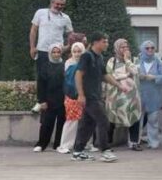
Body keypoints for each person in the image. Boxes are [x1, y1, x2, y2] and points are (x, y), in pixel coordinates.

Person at [72, 32, 129, 163]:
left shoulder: (99, 57)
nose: (106, 44)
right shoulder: (87, 56)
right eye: (104, 41)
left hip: (95, 95)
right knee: (103, 121)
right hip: (89, 96)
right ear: (95, 42)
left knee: (87, 124)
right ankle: (105, 151)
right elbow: (78, 74)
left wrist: (119, 86)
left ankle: (77, 152)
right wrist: (81, 95)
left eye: (107, 41)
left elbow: (105, 75)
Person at [105, 39, 143, 151]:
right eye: (122, 47)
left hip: (131, 96)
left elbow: (135, 71)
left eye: (126, 47)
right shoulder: (112, 61)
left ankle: (134, 142)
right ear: (117, 48)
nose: (125, 49)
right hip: (115, 95)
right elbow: (110, 76)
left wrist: (127, 60)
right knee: (112, 118)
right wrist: (126, 75)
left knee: (134, 117)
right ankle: (107, 143)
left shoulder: (134, 60)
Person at [29, 0, 74, 80]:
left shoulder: (66, 18)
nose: (59, 6)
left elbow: (71, 35)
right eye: (57, 4)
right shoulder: (40, 13)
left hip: (57, 52)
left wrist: (68, 47)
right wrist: (32, 47)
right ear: (51, 3)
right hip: (42, 50)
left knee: (56, 78)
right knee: (42, 78)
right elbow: (33, 30)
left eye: (62, 5)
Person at [33, 43, 66, 152]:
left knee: (62, 123)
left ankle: (58, 144)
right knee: (46, 123)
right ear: (50, 53)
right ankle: (41, 144)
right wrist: (42, 100)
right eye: (54, 52)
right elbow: (41, 85)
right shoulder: (45, 66)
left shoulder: (65, 65)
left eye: (58, 52)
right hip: (49, 100)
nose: (56, 54)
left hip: (63, 99)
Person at [136, 40, 162, 150]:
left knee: (153, 120)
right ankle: (135, 141)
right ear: (142, 49)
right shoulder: (137, 61)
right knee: (137, 120)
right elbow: (130, 74)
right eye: (147, 48)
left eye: (152, 48)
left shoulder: (159, 62)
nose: (150, 50)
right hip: (139, 93)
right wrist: (138, 76)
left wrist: (154, 77)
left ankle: (153, 142)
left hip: (154, 95)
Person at [58, 42, 86, 154]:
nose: (77, 54)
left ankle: (85, 144)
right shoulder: (69, 63)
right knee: (72, 121)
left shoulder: (87, 62)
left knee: (86, 120)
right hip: (72, 97)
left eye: (79, 51)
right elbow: (69, 82)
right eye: (74, 51)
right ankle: (65, 145)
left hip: (85, 96)